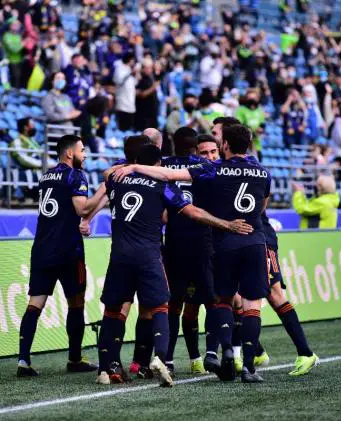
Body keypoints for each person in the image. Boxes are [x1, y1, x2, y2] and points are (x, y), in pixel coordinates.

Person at [114, 124, 272, 383]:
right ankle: (247, 367)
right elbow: (263, 204)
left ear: (225, 146)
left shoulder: (213, 168)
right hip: (254, 240)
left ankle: (219, 353)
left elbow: (167, 175)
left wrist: (132, 167)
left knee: (219, 300)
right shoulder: (263, 172)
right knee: (251, 305)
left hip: (221, 243)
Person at [17, 134, 107, 377]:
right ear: (70, 154)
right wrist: (104, 189)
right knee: (76, 302)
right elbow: (82, 208)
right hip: (68, 251)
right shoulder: (75, 175)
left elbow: (65, 212)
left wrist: (82, 221)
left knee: (35, 303)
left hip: (42, 249)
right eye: (82, 150)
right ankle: (75, 359)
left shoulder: (46, 176)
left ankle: (23, 361)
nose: (85, 155)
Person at [161, 127, 216, 376]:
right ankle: (210, 355)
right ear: (196, 147)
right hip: (203, 243)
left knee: (175, 305)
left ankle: (169, 360)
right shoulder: (205, 166)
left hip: (174, 245)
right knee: (211, 302)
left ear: (172, 143)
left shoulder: (163, 165)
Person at [252, 209, 319, 375]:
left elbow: (260, 203)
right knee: (234, 296)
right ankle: (256, 351)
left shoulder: (259, 181)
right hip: (238, 239)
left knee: (274, 295)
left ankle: (306, 353)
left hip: (261, 239)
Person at [113, 52, 137, 132]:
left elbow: (134, 83)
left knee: (129, 125)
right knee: (122, 126)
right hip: (122, 101)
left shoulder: (130, 69)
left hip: (131, 101)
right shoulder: (119, 68)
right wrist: (130, 73)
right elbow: (119, 80)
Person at [134, 57, 159, 131]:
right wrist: (152, 88)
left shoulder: (151, 78)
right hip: (143, 114)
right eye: (146, 68)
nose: (149, 70)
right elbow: (140, 94)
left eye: (150, 68)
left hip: (152, 112)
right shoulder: (139, 79)